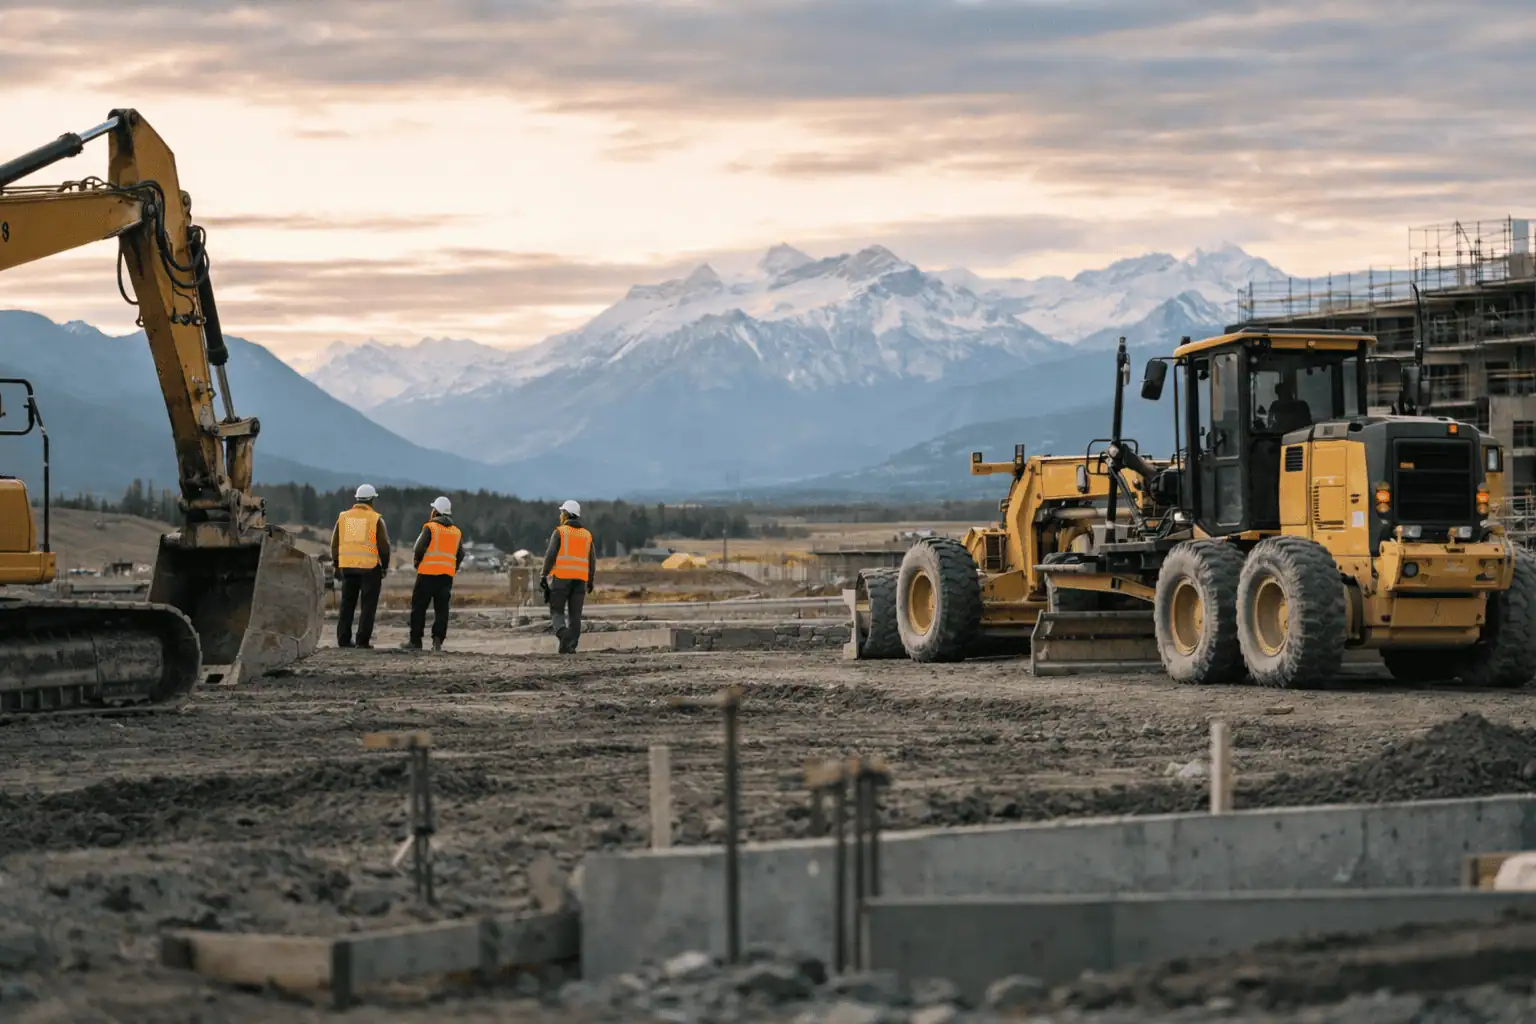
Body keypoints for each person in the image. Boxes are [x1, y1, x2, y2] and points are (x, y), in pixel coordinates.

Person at [331, 484, 390, 649]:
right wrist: (384, 566)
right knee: (368, 606)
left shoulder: (344, 517)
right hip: (370, 568)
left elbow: (335, 544)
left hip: (348, 567)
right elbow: (384, 545)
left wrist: (337, 564)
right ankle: (362, 641)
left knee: (347, 605)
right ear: (372, 500)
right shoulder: (375, 519)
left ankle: (343, 639)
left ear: (357, 499)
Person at [402, 496, 464, 651]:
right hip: (445, 577)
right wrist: (452, 568)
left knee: (419, 608)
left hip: (427, 574)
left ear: (435, 511)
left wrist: (417, 563)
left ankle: (415, 641)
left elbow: (418, 548)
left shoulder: (430, 528)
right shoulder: (456, 532)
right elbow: (461, 554)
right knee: (442, 610)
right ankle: (437, 641)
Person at [541, 499, 596, 654]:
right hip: (580, 581)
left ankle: (563, 634)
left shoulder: (560, 532)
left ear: (566, 514)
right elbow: (592, 560)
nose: (560, 515)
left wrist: (543, 575)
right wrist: (590, 580)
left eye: (561, 512)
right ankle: (570, 645)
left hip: (561, 579)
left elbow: (550, 555)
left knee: (556, 611)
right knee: (575, 615)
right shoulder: (587, 535)